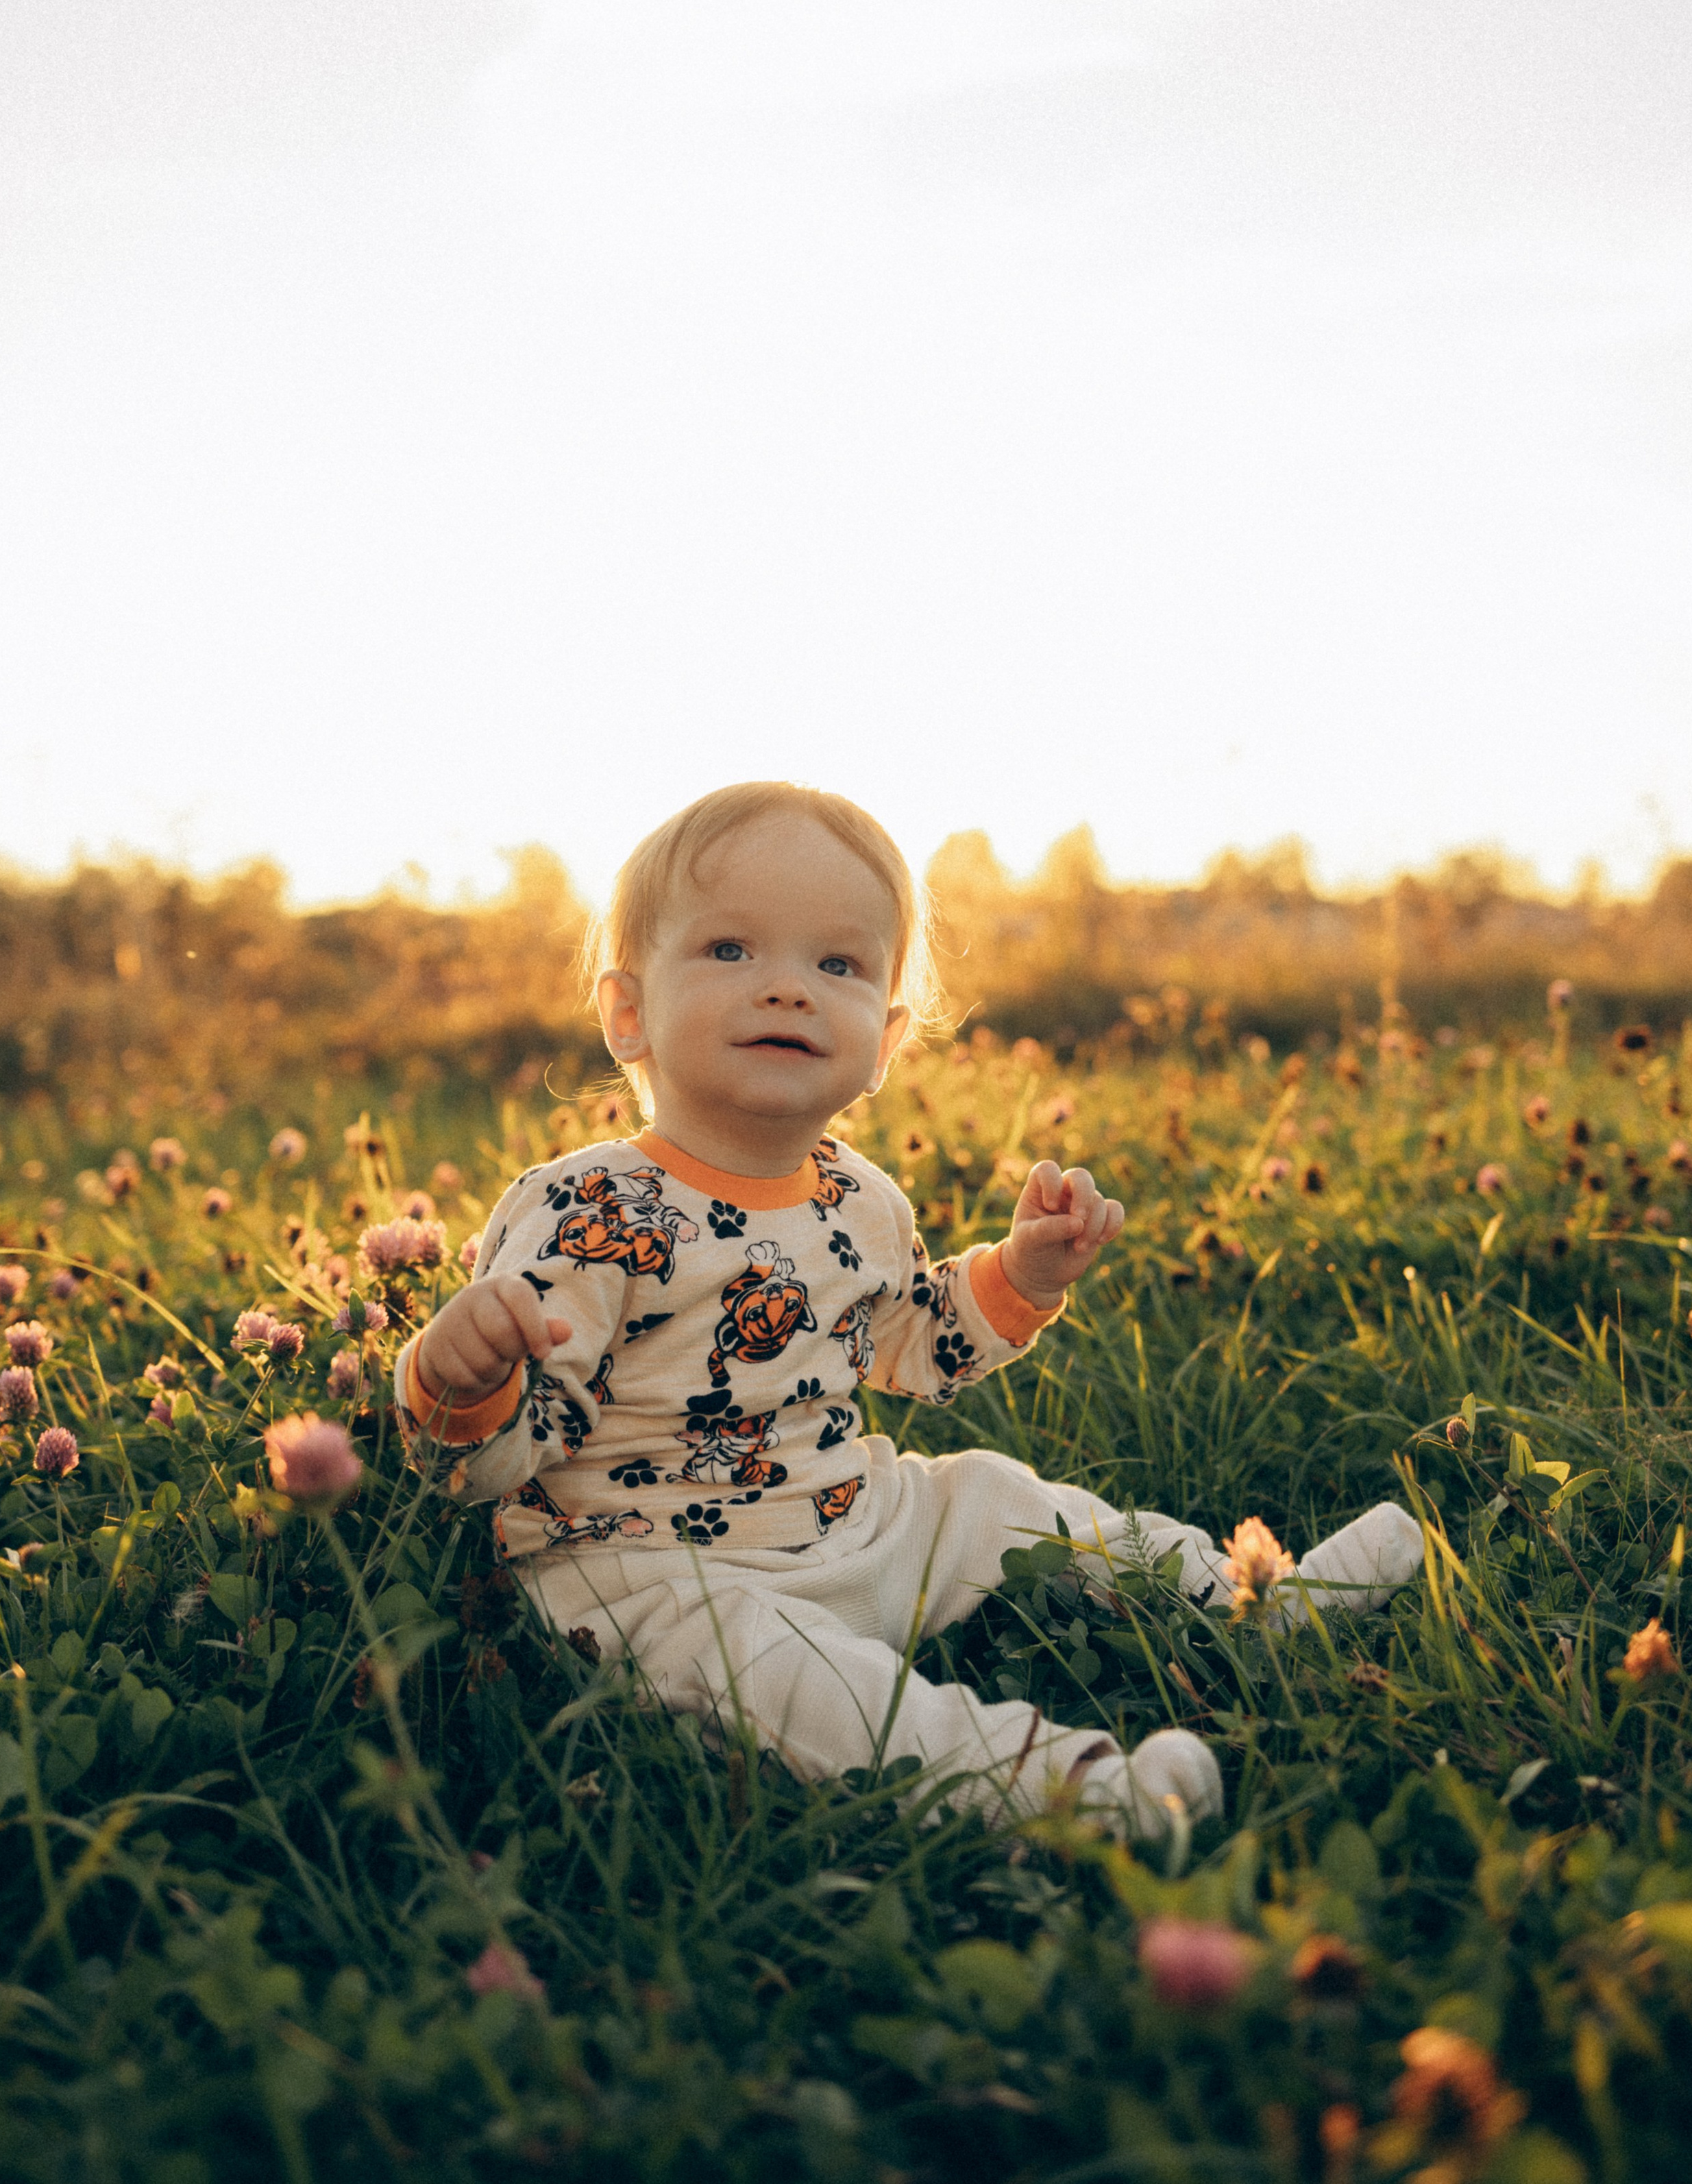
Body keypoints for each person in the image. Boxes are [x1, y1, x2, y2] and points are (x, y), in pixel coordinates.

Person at [393, 784, 1421, 1840]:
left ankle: (1251, 1601)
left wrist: (1021, 1275)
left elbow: (913, 1342)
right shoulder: (589, 1208)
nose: (788, 988)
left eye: (838, 965)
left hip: (855, 1524)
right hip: (650, 1578)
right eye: (730, 949)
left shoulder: (861, 1200)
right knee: (794, 1681)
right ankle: (1069, 1791)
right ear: (627, 1012)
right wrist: (466, 1379)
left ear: (883, 1043)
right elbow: (495, 1462)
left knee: (991, 1494)